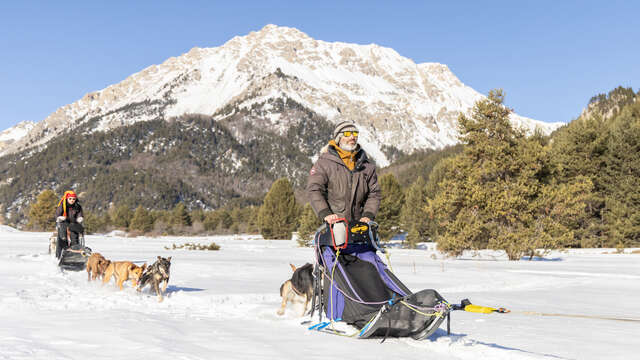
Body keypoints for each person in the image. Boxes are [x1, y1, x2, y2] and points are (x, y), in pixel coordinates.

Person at [307, 120, 380, 229]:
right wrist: (325, 213)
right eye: (347, 134)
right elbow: (314, 190)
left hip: (360, 226)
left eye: (355, 134)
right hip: (333, 226)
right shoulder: (324, 163)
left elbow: (374, 194)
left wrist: (368, 215)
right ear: (338, 138)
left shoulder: (366, 166)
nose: (352, 137)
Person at [55, 190, 84, 258]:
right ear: (67, 198)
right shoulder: (63, 204)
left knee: (74, 237)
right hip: (63, 222)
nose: (72, 200)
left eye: (73, 199)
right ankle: (63, 251)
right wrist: (59, 217)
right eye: (70, 199)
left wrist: (80, 218)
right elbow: (57, 214)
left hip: (73, 222)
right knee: (63, 237)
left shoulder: (78, 206)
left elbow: (80, 214)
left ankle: (74, 251)